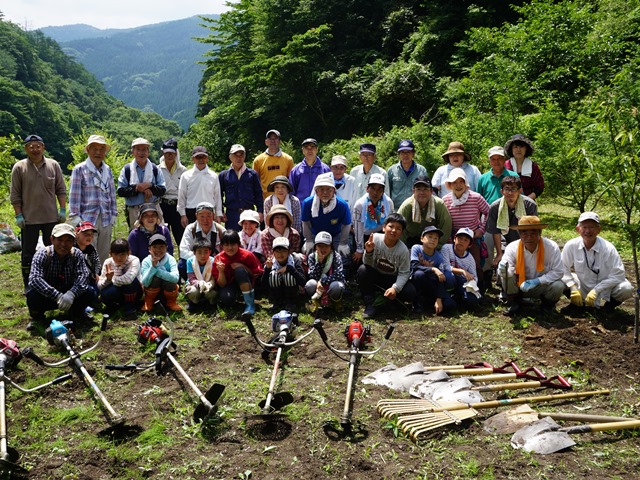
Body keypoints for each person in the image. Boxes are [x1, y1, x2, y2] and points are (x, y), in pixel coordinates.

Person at [10, 134, 67, 288]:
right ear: (26, 149)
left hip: (51, 217)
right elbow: (15, 194)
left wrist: (62, 209)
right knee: (28, 253)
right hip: (29, 219)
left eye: (38, 146)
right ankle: (29, 283)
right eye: (31, 146)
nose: (35, 149)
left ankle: (52, 280)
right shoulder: (19, 167)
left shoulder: (53, 165)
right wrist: (18, 215)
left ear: (43, 147)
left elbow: (61, 189)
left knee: (54, 251)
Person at [561, 212, 633, 312]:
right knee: (560, 280)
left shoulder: (608, 248)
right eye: (584, 227)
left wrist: (597, 290)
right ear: (578, 229)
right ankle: (576, 305)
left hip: (604, 286)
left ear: (599, 229)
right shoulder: (571, 245)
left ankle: (607, 308)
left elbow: (618, 274)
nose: (588, 231)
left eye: (592, 227)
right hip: (582, 284)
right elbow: (562, 268)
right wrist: (572, 287)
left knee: (626, 288)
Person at [26, 223, 93, 331]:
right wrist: (57, 296)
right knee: (32, 295)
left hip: (68, 293)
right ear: (52, 239)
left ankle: (77, 312)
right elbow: (35, 279)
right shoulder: (42, 254)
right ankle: (37, 318)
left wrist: (72, 293)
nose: (63, 244)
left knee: (90, 292)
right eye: (60, 240)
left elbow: (84, 276)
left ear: (74, 241)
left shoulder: (77, 254)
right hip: (48, 295)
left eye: (68, 240)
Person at [498, 216, 565, 316]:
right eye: (525, 233)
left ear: (540, 234)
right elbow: (506, 267)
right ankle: (514, 304)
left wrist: (537, 281)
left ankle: (546, 307)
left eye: (533, 233)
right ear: (519, 234)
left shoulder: (551, 247)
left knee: (558, 285)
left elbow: (558, 271)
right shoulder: (512, 247)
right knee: (507, 275)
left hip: (540, 286)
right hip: (518, 286)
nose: (529, 237)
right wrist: (504, 271)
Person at [68, 134, 117, 264]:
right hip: (87, 218)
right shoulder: (80, 169)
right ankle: (87, 280)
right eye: (94, 148)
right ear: (88, 150)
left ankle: (100, 278)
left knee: (103, 251)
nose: (98, 152)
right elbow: (74, 195)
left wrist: (114, 213)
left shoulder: (107, 170)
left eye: (102, 149)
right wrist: (75, 217)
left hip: (106, 217)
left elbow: (112, 193)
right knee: (87, 251)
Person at [476, 146, 520, 286]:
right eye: (493, 159)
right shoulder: (483, 178)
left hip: (511, 217)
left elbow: (520, 196)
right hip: (489, 217)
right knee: (488, 246)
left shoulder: (513, 176)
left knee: (509, 246)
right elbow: (479, 199)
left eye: (500, 158)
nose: (496, 161)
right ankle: (487, 275)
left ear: (504, 159)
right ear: (489, 161)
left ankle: (504, 278)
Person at [357, 213, 416, 318]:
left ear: (402, 232)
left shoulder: (403, 250)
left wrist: (395, 288)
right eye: (391, 226)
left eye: (398, 228)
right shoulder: (374, 239)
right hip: (376, 276)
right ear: (384, 227)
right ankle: (370, 303)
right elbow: (367, 264)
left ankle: (391, 300)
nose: (393, 230)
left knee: (410, 291)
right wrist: (369, 251)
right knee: (363, 270)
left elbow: (404, 273)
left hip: (392, 278)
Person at [442, 168, 490, 291]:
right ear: (450, 185)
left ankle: (479, 290)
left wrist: (481, 229)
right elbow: (444, 220)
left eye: (461, 181)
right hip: (454, 238)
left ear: (465, 183)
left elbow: (489, 212)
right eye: (454, 182)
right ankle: (457, 290)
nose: (458, 185)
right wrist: (448, 238)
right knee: (453, 265)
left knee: (476, 264)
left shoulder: (476, 197)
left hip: (472, 237)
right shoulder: (446, 200)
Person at [485, 176, 538, 274]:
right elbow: (495, 232)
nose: (510, 193)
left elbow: (533, 230)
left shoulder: (529, 205)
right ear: (502, 191)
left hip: (525, 242)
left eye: (513, 189)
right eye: (507, 189)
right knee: (505, 270)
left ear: (520, 190)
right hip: (504, 243)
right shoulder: (495, 207)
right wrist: (499, 254)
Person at [117, 137, 166, 230]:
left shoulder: (155, 169)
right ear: (133, 152)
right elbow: (121, 191)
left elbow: (162, 190)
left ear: (148, 152)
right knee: (137, 238)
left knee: (158, 237)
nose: (141, 152)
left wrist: (150, 186)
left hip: (153, 209)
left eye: (144, 149)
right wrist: (136, 188)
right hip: (134, 210)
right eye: (138, 149)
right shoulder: (127, 169)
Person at [212, 230, 264, 318]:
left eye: (233, 244)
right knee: (226, 299)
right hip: (229, 285)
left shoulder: (247, 255)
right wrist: (221, 271)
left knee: (239, 271)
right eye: (226, 245)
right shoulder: (219, 259)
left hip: (248, 282)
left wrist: (243, 267)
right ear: (222, 246)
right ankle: (237, 296)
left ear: (239, 244)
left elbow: (256, 274)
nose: (230, 248)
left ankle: (249, 304)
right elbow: (222, 284)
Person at [301, 173, 352, 261]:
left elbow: (346, 225)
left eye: (328, 189)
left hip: (336, 235)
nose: (325, 193)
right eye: (321, 189)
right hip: (315, 234)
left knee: (344, 256)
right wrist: (309, 240)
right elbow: (306, 223)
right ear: (316, 191)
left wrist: (343, 243)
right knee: (307, 254)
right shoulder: (307, 203)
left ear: (334, 191)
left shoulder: (342, 205)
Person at [410, 226, 456, 315]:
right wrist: (433, 269)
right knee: (419, 274)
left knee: (450, 305)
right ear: (422, 238)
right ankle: (417, 303)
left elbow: (441, 278)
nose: (433, 240)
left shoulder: (439, 257)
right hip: (418, 281)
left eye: (436, 238)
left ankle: (431, 301)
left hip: (432, 284)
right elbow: (414, 265)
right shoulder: (416, 248)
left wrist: (439, 299)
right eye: (430, 237)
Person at [397, 176, 452, 248]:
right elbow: (398, 226)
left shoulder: (438, 204)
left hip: (432, 241)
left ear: (431, 191)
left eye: (425, 189)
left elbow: (446, 227)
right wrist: (403, 248)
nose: (422, 192)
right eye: (418, 189)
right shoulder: (407, 205)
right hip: (410, 239)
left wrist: (437, 246)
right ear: (413, 191)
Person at [218, 144, 264, 230]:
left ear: (244, 156)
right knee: (232, 240)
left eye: (241, 155)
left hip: (249, 214)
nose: (238, 158)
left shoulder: (252, 174)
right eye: (235, 155)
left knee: (250, 240)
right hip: (231, 215)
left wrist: (260, 211)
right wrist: (220, 211)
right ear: (230, 157)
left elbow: (258, 194)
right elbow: (218, 195)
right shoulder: (223, 175)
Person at [352, 174, 394, 264]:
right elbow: (357, 229)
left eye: (379, 189)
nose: (375, 192)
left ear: (383, 191)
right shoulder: (359, 205)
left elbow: (390, 223)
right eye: (373, 188)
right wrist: (359, 249)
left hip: (382, 235)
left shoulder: (388, 203)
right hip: (364, 235)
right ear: (367, 188)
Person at [177, 146, 224, 227]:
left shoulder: (213, 176)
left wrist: (218, 214)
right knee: (193, 238)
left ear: (207, 158)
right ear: (193, 159)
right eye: (198, 157)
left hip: (209, 212)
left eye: (203, 157)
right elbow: (182, 196)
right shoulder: (185, 176)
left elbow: (217, 197)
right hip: (191, 212)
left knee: (210, 238)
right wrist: (183, 215)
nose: (201, 160)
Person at [179, 202, 226, 280]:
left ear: (213, 216)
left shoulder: (220, 230)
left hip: (215, 262)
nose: (205, 220)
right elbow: (183, 250)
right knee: (181, 264)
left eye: (208, 216)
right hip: (196, 260)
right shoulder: (190, 229)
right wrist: (200, 258)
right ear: (196, 216)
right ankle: (192, 281)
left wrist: (211, 260)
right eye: (202, 216)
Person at [98, 238, 142, 319]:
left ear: (128, 253)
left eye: (122, 254)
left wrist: (112, 279)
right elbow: (100, 286)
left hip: (134, 290)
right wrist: (107, 279)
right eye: (116, 254)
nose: (119, 258)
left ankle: (130, 309)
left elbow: (129, 279)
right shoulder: (108, 262)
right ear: (110, 254)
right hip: (117, 289)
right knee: (104, 294)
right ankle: (114, 306)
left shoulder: (134, 260)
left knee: (131, 282)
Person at [440, 227, 482, 308]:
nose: (462, 241)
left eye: (466, 240)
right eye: (460, 238)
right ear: (454, 239)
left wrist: (470, 284)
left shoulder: (470, 258)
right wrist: (462, 271)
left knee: (473, 300)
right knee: (449, 276)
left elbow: (474, 277)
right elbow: (445, 266)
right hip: (448, 281)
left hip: (463, 283)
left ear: (469, 245)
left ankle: (460, 297)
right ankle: (448, 295)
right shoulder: (446, 248)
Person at [262, 236, 306, 311]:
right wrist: (267, 269)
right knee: (273, 275)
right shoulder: (270, 262)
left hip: (293, 291)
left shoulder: (294, 260)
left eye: (283, 251)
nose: (280, 254)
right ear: (273, 252)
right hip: (277, 291)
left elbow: (303, 281)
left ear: (289, 252)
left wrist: (289, 268)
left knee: (289, 275)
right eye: (277, 251)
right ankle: (277, 302)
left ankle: (291, 303)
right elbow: (263, 285)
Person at [305, 232, 346, 312]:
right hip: (317, 286)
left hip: (331, 284)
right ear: (315, 247)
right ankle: (316, 301)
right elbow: (312, 275)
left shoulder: (336, 256)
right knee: (310, 284)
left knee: (337, 286)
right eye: (320, 246)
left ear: (331, 246)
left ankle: (335, 301)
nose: (323, 249)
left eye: (326, 246)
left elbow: (339, 275)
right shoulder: (312, 256)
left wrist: (322, 281)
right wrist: (319, 263)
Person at [140, 234, 182, 312]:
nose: (158, 250)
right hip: (152, 291)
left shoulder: (171, 260)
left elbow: (175, 278)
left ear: (166, 248)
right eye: (155, 247)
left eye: (161, 247)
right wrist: (152, 267)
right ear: (149, 249)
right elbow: (145, 282)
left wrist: (157, 270)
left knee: (170, 281)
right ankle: (149, 302)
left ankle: (171, 303)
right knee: (155, 278)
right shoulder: (146, 261)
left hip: (167, 291)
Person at [158, 138, 187, 246]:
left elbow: (185, 192)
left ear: (176, 153)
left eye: (172, 153)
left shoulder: (183, 170)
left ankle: (182, 261)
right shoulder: (157, 169)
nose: (169, 155)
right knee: (163, 236)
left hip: (177, 206)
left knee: (181, 237)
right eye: (167, 153)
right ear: (163, 153)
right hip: (162, 205)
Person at [252, 129, 294, 199]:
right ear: (266, 142)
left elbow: (291, 181)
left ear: (280, 142)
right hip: (265, 200)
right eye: (270, 138)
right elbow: (255, 182)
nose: (273, 141)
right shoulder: (258, 160)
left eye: (275, 138)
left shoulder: (288, 159)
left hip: (283, 199)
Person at [387, 140, 429, 208]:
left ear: (413, 154)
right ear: (399, 154)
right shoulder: (391, 170)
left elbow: (426, 191)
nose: (405, 155)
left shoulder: (421, 170)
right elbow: (387, 192)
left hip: (416, 209)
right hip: (396, 210)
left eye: (408, 152)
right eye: (402, 152)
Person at [289, 138, 330, 203]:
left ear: (317, 149)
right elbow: (291, 193)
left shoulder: (325, 169)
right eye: (306, 147)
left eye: (312, 147)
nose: (309, 150)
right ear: (303, 150)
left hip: (321, 207)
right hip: (301, 208)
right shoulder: (295, 170)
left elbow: (330, 190)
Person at [504, 134, 544, 200]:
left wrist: (527, 200)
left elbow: (539, 187)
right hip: (508, 201)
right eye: (515, 147)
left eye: (521, 147)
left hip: (528, 203)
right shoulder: (505, 165)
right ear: (511, 149)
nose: (518, 150)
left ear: (526, 149)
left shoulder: (533, 166)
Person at [184, 238, 218, 312]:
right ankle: (194, 302)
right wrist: (199, 283)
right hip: (194, 285)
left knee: (212, 294)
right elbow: (191, 278)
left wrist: (210, 284)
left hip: (208, 285)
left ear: (210, 252)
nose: (203, 255)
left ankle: (210, 304)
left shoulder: (213, 261)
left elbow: (214, 277)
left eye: (206, 252)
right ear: (194, 253)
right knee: (193, 292)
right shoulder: (190, 261)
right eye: (199, 252)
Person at [75, 221, 101, 302]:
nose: (89, 237)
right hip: (76, 280)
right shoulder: (72, 249)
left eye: (91, 234)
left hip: (90, 278)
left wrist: (95, 273)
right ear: (77, 234)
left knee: (96, 291)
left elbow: (97, 262)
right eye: (86, 234)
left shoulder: (91, 249)